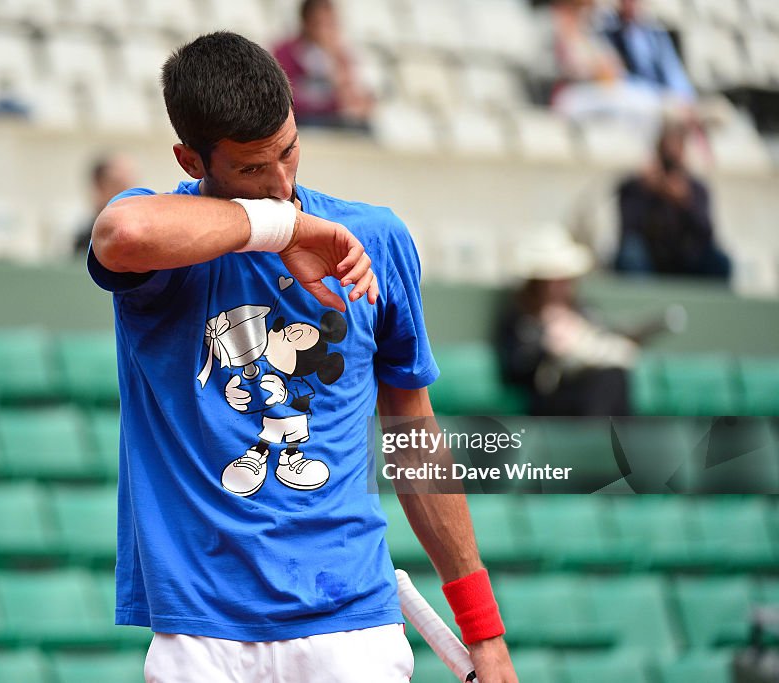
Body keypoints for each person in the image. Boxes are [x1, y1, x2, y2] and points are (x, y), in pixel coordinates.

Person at [87, 31, 516, 683]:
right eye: (253, 169)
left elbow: (413, 436)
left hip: (352, 626)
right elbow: (123, 233)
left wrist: (483, 630)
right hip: (202, 633)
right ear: (191, 158)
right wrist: (288, 230)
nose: (282, 181)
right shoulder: (160, 243)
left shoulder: (373, 240)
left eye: (288, 150)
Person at [495, 227, 640, 416]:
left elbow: (605, 340)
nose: (561, 285)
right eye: (553, 279)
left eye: (564, 278)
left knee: (613, 378)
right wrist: (547, 347)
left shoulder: (585, 311)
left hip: (591, 387)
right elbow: (514, 369)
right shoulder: (520, 318)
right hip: (551, 398)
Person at [614, 120, 731, 278]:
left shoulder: (696, 190)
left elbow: (706, 233)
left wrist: (685, 203)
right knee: (631, 253)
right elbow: (628, 231)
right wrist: (646, 191)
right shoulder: (636, 187)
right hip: (650, 258)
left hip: (686, 259)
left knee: (720, 261)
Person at [550, 0, 663, 140]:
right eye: (581, 7)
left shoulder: (588, 33)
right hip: (570, 97)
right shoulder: (562, 32)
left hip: (598, 92)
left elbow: (614, 66)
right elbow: (572, 68)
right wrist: (596, 69)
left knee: (646, 100)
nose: (587, 12)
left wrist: (605, 67)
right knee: (634, 105)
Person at [273, 0, 373, 130]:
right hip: (304, 119)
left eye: (330, 24)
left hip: (332, 118)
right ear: (307, 22)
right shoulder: (286, 52)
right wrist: (332, 104)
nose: (325, 30)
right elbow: (285, 99)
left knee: (364, 127)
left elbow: (349, 95)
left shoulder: (339, 53)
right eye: (320, 24)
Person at [600, 0, 696, 104]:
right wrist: (657, 96)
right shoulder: (610, 35)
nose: (631, 5)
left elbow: (673, 72)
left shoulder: (656, 34)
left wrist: (684, 98)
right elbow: (619, 78)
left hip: (665, 98)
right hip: (637, 99)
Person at [73, 154, 138, 255]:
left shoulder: (140, 234)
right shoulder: (86, 240)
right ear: (99, 188)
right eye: (118, 186)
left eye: (131, 187)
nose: (127, 195)